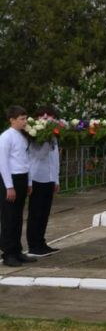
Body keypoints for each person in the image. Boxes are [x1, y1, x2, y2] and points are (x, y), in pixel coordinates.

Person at [1, 106, 35, 267]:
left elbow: (26, 161)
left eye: (25, 118)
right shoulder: (5, 137)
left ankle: (17, 250)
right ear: (12, 120)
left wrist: (28, 182)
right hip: (10, 179)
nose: (25, 121)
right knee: (9, 217)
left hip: (22, 179)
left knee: (18, 217)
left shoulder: (22, 136)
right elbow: (3, 163)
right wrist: (9, 186)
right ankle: (8, 253)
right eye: (21, 119)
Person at [26, 105, 60, 258]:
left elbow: (55, 160)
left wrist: (56, 179)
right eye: (43, 116)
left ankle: (41, 242)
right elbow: (38, 156)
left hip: (49, 179)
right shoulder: (34, 136)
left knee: (45, 212)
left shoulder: (54, 135)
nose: (46, 119)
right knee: (36, 213)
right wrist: (46, 140)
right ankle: (33, 245)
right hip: (37, 178)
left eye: (50, 116)